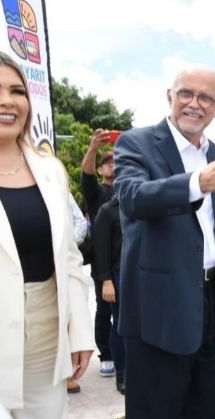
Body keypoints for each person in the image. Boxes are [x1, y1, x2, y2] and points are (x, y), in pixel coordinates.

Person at [114, 67, 215, 419]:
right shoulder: (137, 143)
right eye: (186, 93)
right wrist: (197, 183)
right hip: (159, 310)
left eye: (205, 98)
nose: (194, 103)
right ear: (169, 96)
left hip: (214, 307)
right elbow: (134, 197)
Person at [0, 50, 93, 419]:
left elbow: (69, 257)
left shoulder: (50, 170)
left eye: (17, 91)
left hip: (46, 330)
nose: (6, 101)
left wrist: (80, 331)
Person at [82, 135, 116, 380]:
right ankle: (106, 355)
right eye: (108, 162)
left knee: (125, 314)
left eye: (117, 162)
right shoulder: (97, 193)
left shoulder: (129, 190)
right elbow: (86, 176)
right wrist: (93, 149)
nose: (112, 166)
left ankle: (122, 356)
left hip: (127, 262)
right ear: (102, 167)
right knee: (104, 309)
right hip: (103, 263)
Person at [92, 195, 126, 394]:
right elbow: (101, 249)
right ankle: (121, 373)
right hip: (117, 276)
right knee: (120, 325)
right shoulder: (107, 211)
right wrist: (106, 281)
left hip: (140, 275)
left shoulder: (139, 207)